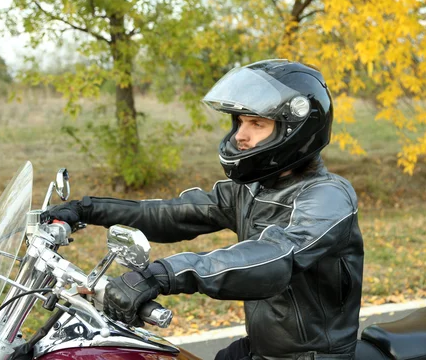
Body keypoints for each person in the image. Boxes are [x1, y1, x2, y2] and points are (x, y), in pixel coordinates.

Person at [42, 59, 364, 360]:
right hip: (262, 349)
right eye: (239, 121)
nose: (240, 135)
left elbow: (276, 257)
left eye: (257, 123)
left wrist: (164, 274)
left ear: (295, 130)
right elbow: (173, 214)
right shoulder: (251, 189)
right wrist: (87, 209)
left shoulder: (329, 197)